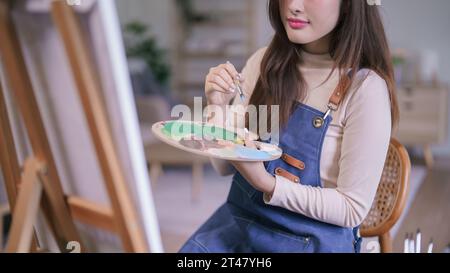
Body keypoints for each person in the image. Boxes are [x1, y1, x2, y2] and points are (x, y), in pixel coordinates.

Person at [179, 0, 398, 253]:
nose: (293, 5)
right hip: (240, 227)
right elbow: (223, 166)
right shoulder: (264, 63)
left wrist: (267, 183)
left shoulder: (366, 89)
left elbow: (351, 208)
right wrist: (217, 104)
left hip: (314, 243)